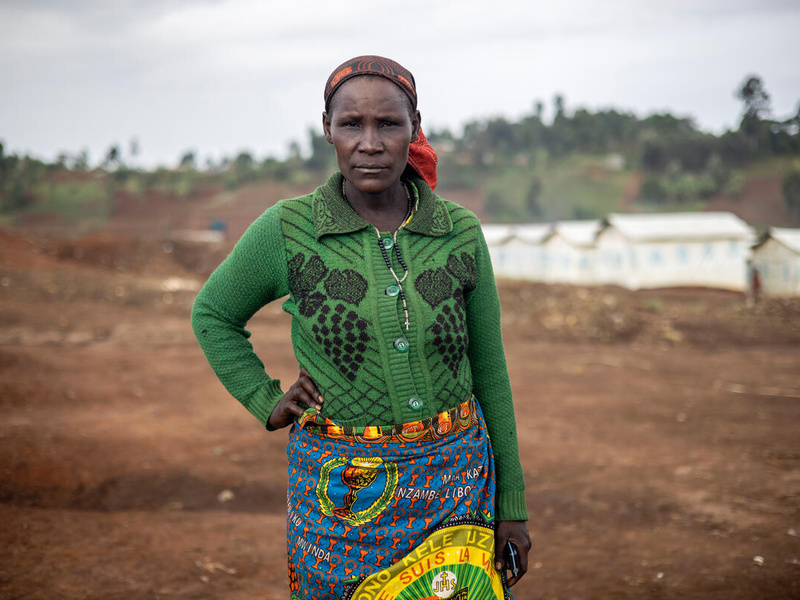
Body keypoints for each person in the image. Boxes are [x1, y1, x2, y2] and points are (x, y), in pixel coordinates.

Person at [192, 55, 530, 599]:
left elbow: (490, 370)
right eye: (351, 124)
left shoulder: (459, 232)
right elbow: (213, 314)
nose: (369, 142)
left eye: (388, 124)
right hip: (339, 500)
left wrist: (511, 508)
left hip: (457, 489)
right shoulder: (289, 229)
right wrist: (264, 399)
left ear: (414, 128)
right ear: (328, 129)